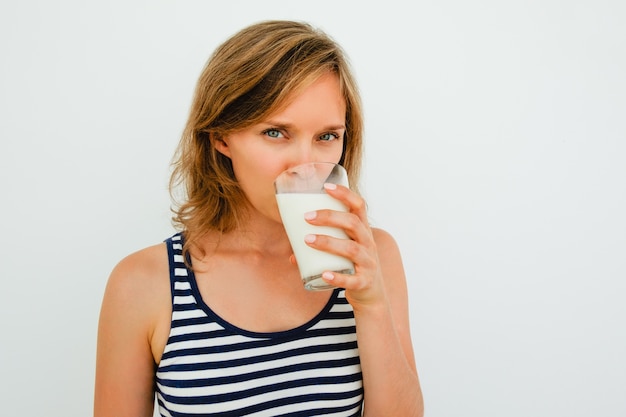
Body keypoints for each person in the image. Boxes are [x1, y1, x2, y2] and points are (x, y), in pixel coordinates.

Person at [94, 20, 424, 417]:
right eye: (275, 133)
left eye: (327, 136)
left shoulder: (372, 258)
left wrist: (371, 306)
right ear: (220, 136)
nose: (307, 164)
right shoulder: (144, 284)